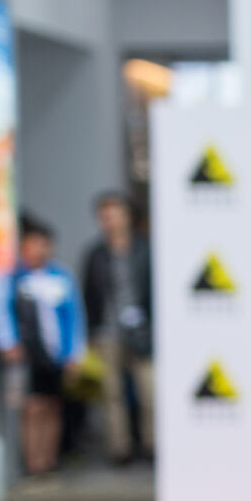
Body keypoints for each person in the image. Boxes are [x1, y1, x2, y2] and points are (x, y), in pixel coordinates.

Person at [0, 217, 87, 477]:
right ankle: (33, 462)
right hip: (27, 354)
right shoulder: (13, 278)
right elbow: (3, 312)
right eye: (34, 244)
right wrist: (9, 343)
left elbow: (74, 316)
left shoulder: (61, 277)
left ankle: (49, 460)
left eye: (44, 244)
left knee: (53, 406)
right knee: (32, 408)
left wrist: (73, 353)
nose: (39, 250)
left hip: (55, 353)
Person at [81, 191, 154, 464]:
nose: (110, 219)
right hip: (108, 332)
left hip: (142, 331)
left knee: (149, 391)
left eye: (115, 212)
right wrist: (90, 333)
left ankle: (151, 445)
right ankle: (119, 449)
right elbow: (88, 295)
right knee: (112, 394)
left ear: (128, 216)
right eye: (105, 214)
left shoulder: (145, 250)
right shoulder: (96, 255)